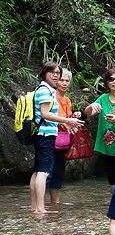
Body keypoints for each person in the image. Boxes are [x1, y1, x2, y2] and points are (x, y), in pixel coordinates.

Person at [30, 62, 84, 214]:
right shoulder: (45, 91)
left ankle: (34, 206)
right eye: (52, 72)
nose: (56, 75)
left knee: (37, 172)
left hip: (42, 133)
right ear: (44, 73)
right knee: (43, 172)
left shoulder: (44, 89)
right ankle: (40, 208)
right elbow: (46, 114)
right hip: (46, 135)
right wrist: (67, 120)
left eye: (57, 73)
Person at [48, 68, 82, 207]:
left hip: (62, 140)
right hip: (51, 137)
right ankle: (43, 203)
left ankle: (55, 203)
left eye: (67, 81)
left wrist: (74, 117)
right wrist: (68, 122)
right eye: (62, 80)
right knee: (48, 171)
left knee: (59, 171)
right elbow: (53, 117)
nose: (64, 83)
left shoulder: (67, 100)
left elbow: (66, 118)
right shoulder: (51, 96)